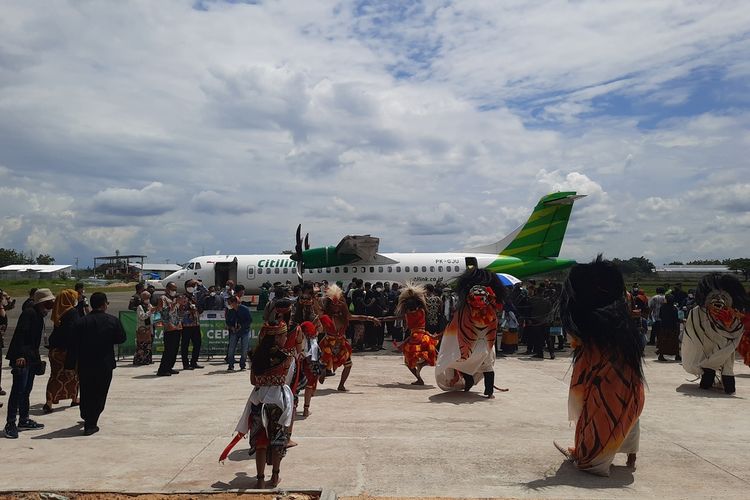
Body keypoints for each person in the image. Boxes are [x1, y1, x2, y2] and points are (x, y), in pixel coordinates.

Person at [554, 256, 644, 475]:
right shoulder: (624, 326)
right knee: (629, 417)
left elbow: (575, 341)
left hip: (602, 380)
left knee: (598, 415)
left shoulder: (591, 331)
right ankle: (631, 456)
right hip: (628, 378)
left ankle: (592, 458)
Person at [219, 321, 295, 488]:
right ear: (276, 337)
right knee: (277, 441)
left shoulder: (254, 354)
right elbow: (288, 381)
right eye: (283, 335)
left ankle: (260, 480)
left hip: (258, 401)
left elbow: (253, 381)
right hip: (278, 401)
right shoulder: (287, 356)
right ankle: (274, 478)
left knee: (261, 441)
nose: (285, 338)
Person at [434, 269, 506, 398]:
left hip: (471, 341)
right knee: (486, 365)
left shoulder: (465, 308)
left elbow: (455, 324)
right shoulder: (490, 307)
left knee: (462, 360)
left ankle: (470, 381)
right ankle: (488, 390)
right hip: (484, 341)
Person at [66, 292, 126, 435]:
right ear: (104, 304)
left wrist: (69, 366)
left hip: (85, 364)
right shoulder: (112, 320)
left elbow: (72, 345)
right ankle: (91, 423)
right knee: (100, 393)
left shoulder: (81, 322)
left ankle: (86, 415)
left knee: (86, 391)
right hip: (104, 364)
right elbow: (121, 338)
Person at [681, 273, 747, 395]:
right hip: (711, 344)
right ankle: (717, 385)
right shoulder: (698, 312)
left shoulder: (734, 314)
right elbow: (693, 328)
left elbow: (739, 326)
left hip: (727, 345)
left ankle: (720, 385)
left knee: (725, 365)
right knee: (719, 363)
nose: (719, 300)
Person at [4, 288, 55, 438]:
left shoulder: (39, 315)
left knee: (26, 390)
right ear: (42, 302)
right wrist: (19, 355)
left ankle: (24, 419)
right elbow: (21, 334)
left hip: (31, 357)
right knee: (17, 390)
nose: (52, 302)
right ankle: (10, 423)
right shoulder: (29, 313)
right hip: (22, 358)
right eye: (50, 300)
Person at [386, 284, 439, 385]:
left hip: (414, 337)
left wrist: (382, 319)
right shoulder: (422, 311)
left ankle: (419, 378)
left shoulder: (407, 314)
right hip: (424, 336)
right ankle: (421, 367)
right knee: (431, 355)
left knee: (408, 361)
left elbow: (396, 318)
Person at [43, 289, 80, 413]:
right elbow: (74, 333)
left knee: (55, 376)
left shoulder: (58, 311)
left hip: (55, 350)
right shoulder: (72, 312)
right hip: (67, 350)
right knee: (72, 375)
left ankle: (49, 401)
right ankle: (74, 398)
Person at [157, 281, 182, 376]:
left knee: (175, 349)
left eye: (175, 289)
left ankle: (169, 367)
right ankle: (162, 369)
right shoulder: (163, 298)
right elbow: (164, 311)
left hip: (177, 326)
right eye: (172, 289)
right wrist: (175, 303)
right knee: (169, 349)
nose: (174, 291)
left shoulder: (174, 299)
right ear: (167, 289)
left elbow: (177, 312)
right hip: (169, 327)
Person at [225, 295, 252, 371]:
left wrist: (242, 326)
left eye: (231, 303)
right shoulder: (230, 310)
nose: (229, 305)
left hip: (244, 331)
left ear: (235, 303)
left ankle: (242, 365)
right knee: (231, 349)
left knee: (244, 349)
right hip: (234, 332)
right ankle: (230, 365)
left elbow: (249, 320)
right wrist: (231, 327)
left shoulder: (245, 309)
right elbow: (227, 321)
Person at [181, 281, 203, 370]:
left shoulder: (194, 296)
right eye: (190, 286)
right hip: (186, 325)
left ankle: (194, 362)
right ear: (186, 287)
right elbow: (180, 311)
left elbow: (205, 292)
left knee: (197, 344)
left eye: (193, 286)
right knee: (185, 345)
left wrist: (199, 283)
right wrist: (190, 311)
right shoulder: (182, 297)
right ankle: (185, 364)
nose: (192, 287)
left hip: (196, 324)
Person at [134, 291, 158, 365]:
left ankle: (147, 359)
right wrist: (150, 312)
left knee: (148, 345)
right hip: (142, 329)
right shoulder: (140, 307)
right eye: (146, 298)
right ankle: (140, 360)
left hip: (149, 328)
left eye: (148, 298)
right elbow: (142, 317)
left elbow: (153, 314)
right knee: (141, 345)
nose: (147, 299)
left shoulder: (149, 305)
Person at [657, 294, 681, 361]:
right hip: (672, 327)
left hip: (664, 326)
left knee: (663, 341)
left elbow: (660, 316)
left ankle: (661, 355)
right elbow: (676, 318)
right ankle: (677, 355)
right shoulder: (674, 308)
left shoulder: (662, 307)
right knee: (674, 342)